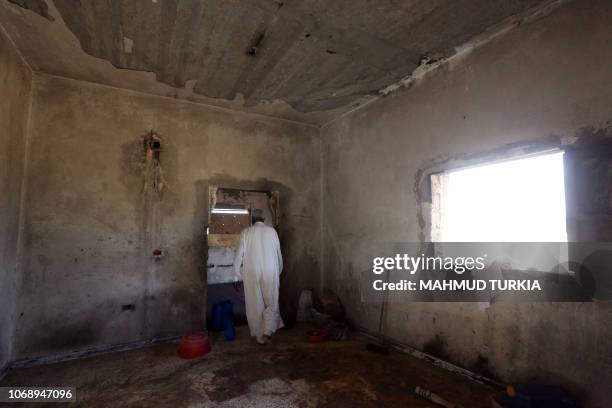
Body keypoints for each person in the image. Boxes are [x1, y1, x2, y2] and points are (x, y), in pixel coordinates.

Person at [233, 211, 284, 344]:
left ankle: (258, 335)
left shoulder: (246, 232)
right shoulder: (272, 231)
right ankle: (268, 331)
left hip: (251, 271)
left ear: (252, 220)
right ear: (263, 219)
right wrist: (278, 270)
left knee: (254, 303)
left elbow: (239, 255)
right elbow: (278, 253)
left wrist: (236, 276)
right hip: (270, 269)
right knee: (272, 301)